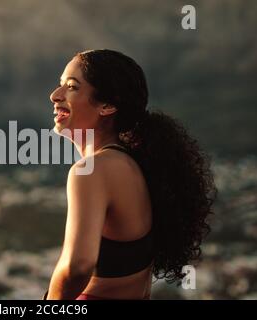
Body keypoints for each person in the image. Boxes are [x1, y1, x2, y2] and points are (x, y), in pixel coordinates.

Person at [46, 49, 216, 300]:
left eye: (71, 87)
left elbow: (78, 266)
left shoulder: (91, 171)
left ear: (107, 105)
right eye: (60, 85)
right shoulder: (136, 165)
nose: (54, 96)